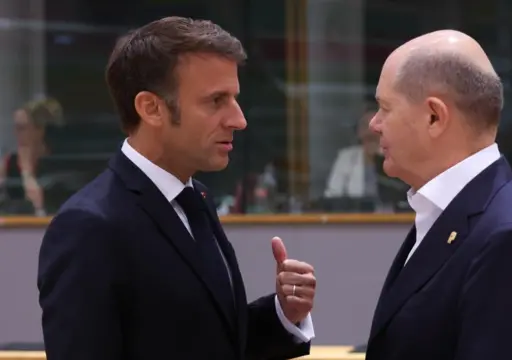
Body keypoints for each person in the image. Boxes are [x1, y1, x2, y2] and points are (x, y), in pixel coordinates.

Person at [37, 17, 316, 360]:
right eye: (216, 101)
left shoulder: (195, 198)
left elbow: (209, 339)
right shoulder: (89, 227)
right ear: (151, 108)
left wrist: (283, 314)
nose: (239, 119)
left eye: (234, 98)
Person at [364, 30, 512, 360]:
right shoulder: (453, 212)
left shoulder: (510, 241)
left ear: (434, 116)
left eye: (384, 108)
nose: (375, 124)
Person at [0, 97, 63, 215]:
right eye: (16, 127)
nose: (15, 133)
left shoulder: (56, 161)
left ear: (40, 130)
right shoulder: (9, 161)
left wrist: (26, 171)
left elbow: (38, 205)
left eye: (21, 128)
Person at [324, 107, 380, 198]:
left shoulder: (395, 156)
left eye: (376, 125)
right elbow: (332, 195)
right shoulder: (346, 157)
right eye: (366, 126)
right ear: (358, 132)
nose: (370, 131)